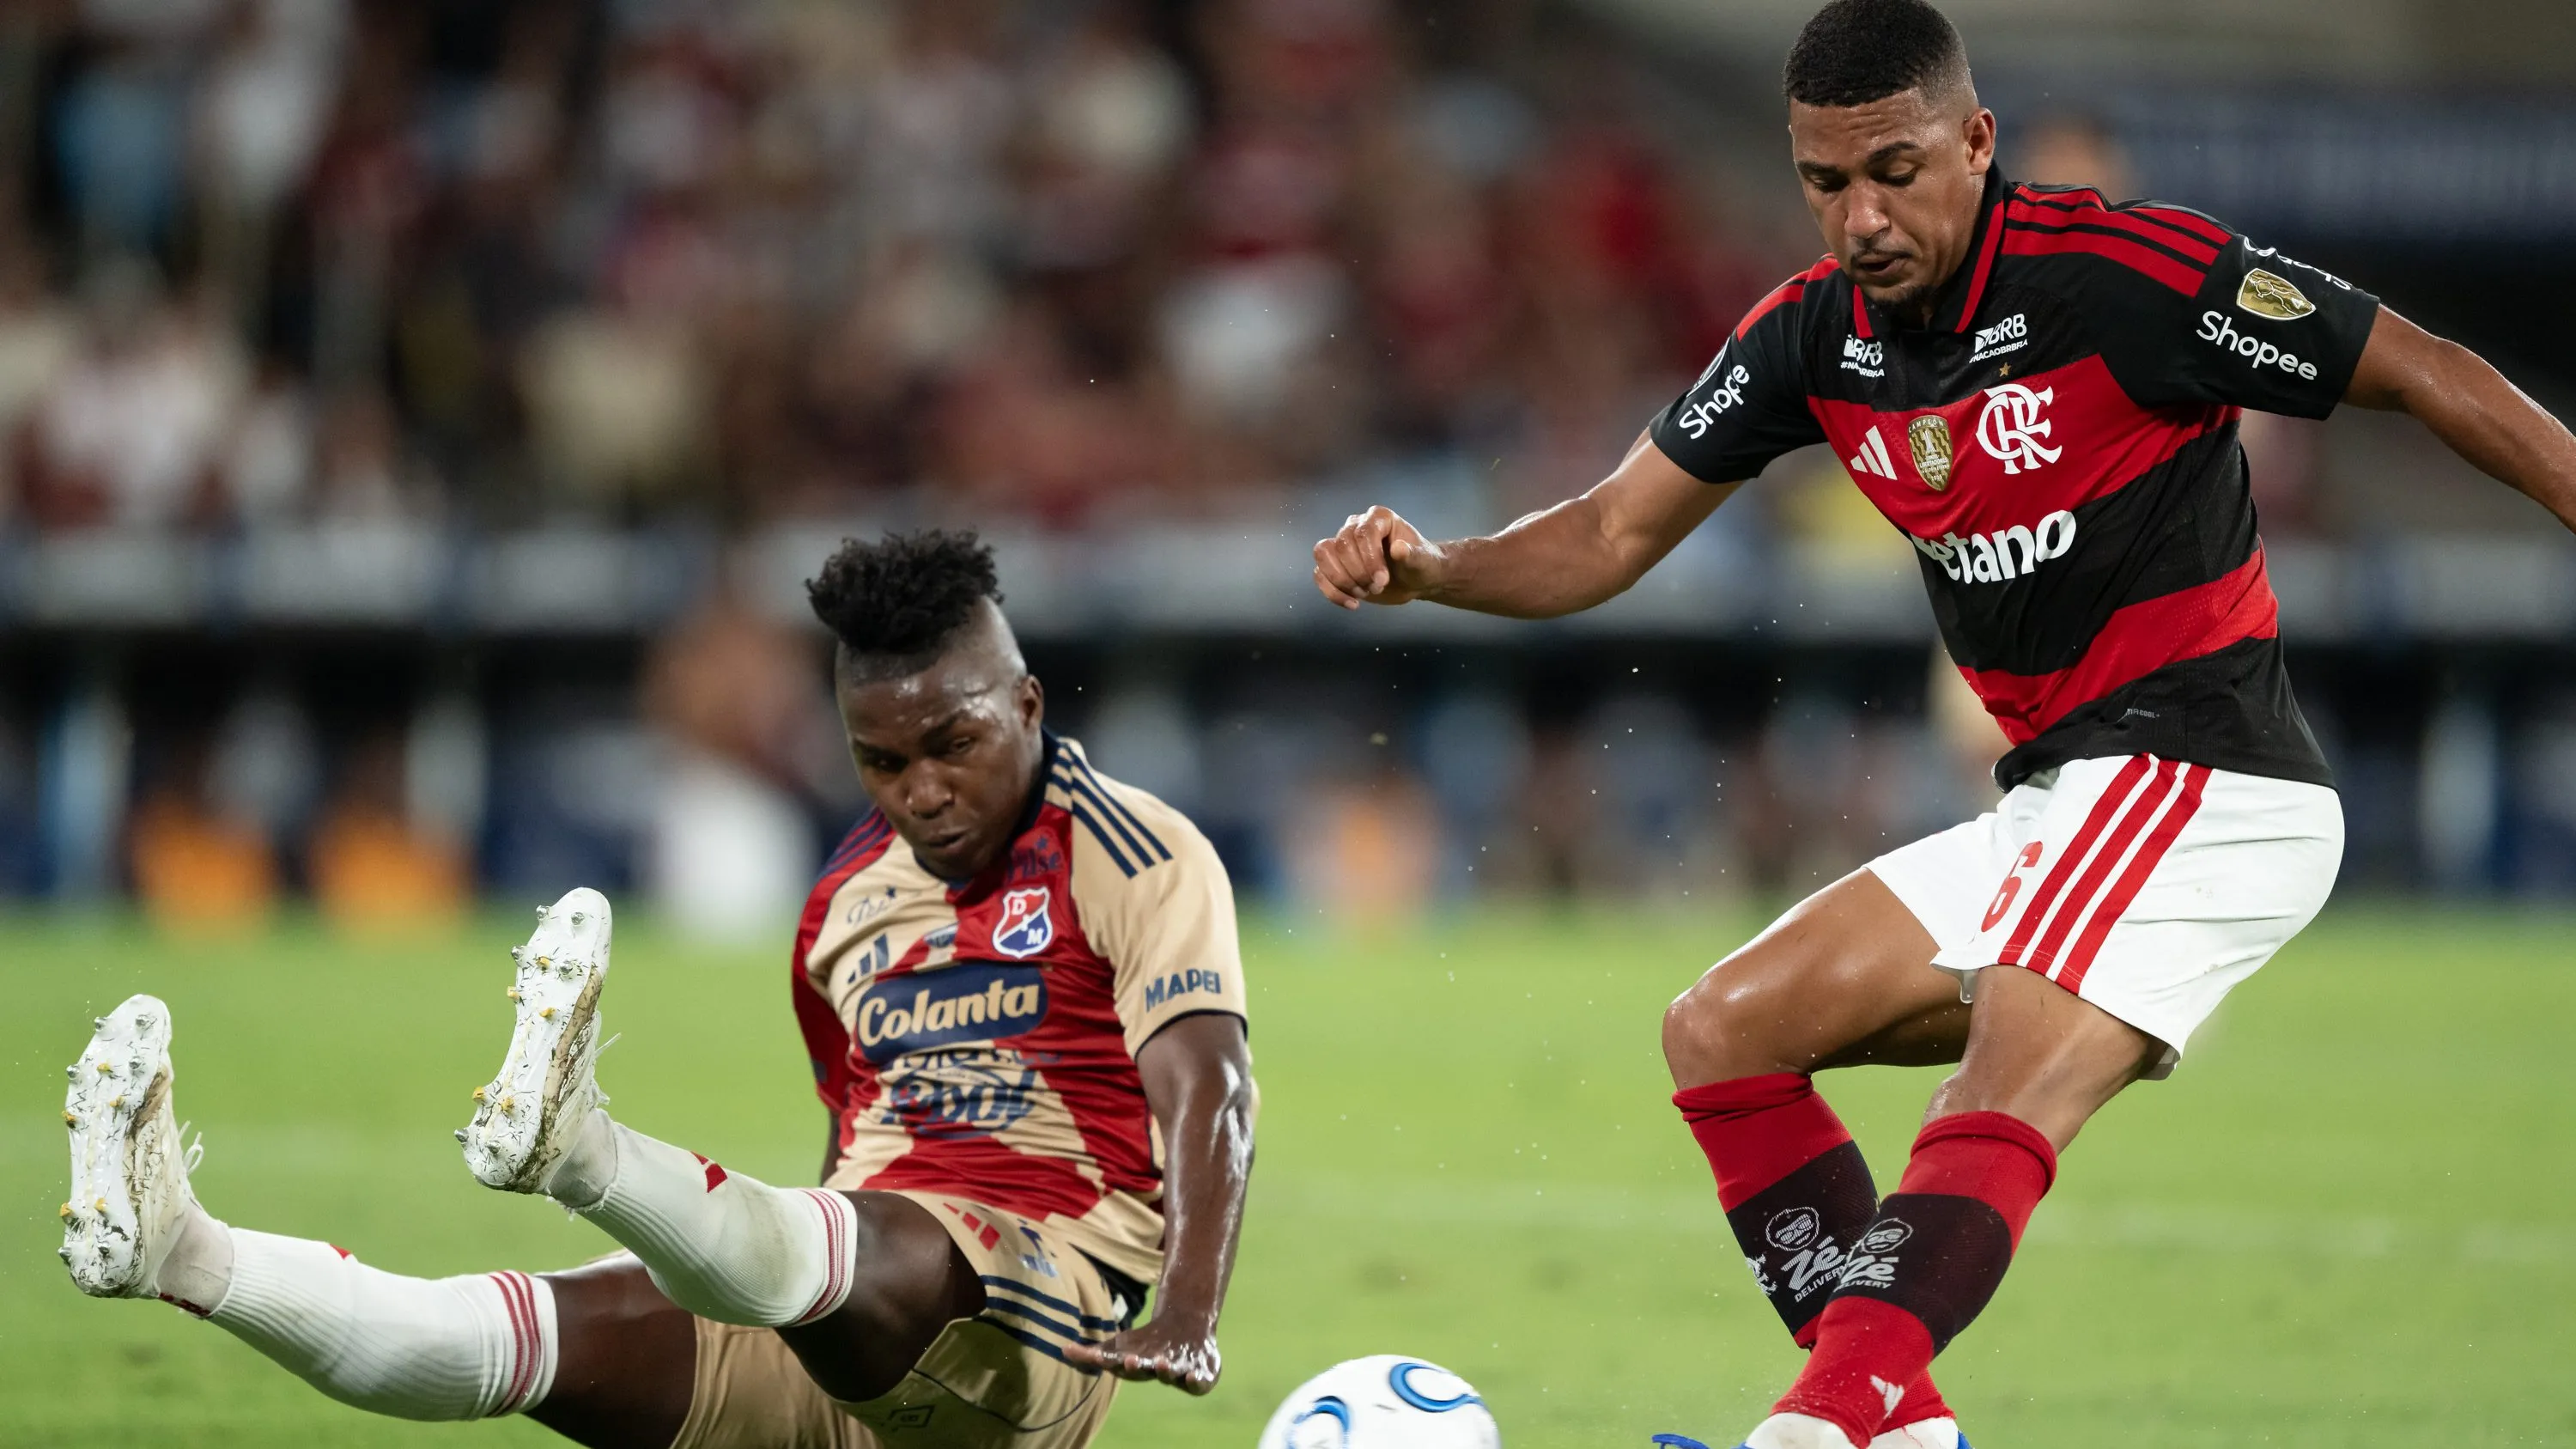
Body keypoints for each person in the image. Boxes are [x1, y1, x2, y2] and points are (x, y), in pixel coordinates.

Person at [1309, 3, 2576, 1446]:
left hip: (2206, 774)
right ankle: (1902, 1423)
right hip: (2054, 798)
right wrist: (1439, 570)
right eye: (1824, 182)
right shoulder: (1813, 336)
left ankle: (1820, 1421)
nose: (1860, 217)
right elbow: (1607, 532)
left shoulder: (2122, 276)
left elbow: (2420, 365)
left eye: (1895, 172)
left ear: (1977, 140)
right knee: (1722, 1029)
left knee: (2001, 1072)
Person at [61, 531, 1257, 1449]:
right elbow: (849, 1147)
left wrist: (1189, 1311)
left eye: (955, 744)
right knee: (509, 1338)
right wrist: (812, 1326)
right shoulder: (845, 901)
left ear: (1029, 705)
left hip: (1041, 1317)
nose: (923, 791)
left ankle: (581, 1150)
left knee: (875, 1239)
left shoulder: (1132, 852)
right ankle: (179, 1250)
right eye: (882, 762)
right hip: (856, 1314)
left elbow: (1210, 1085)